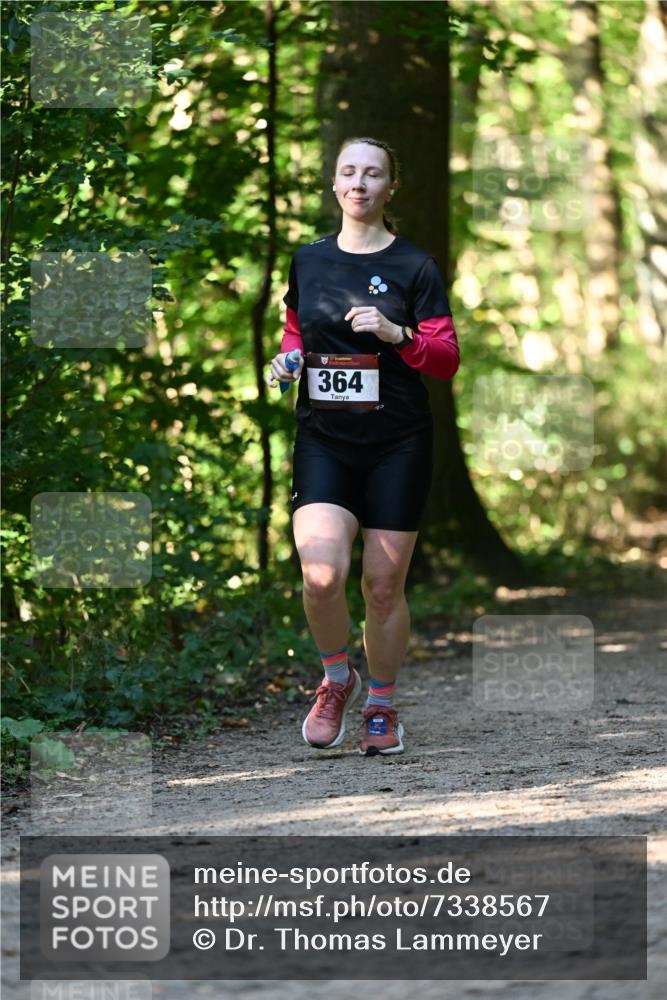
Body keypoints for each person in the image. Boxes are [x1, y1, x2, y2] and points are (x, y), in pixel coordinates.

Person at [266, 136, 459, 756]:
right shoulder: (309, 260)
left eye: (373, 174)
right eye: (348, 172)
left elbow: (446, 359)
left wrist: (397, 332)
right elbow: (297, 328)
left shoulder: (416, 266)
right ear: (334, 183)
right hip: (325, 439)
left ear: (389, 187)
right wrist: (289, 359)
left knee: (382, 585)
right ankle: (334, 679)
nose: (359, 183)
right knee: (322, 574)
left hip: (398, 443)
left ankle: (382, 703)